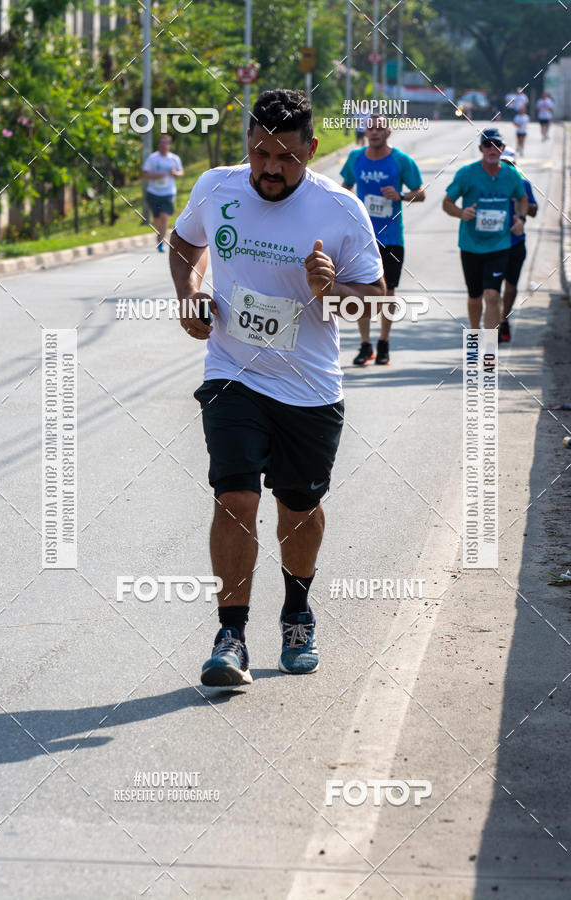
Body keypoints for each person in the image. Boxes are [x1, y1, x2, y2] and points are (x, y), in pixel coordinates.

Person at [169, 89, 385, 686]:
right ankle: (230, 635)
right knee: (235, 499)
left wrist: (333, 288)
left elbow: (378, 298)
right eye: (260, 152)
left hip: (309, 389)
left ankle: (296, 611)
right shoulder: (217, 186)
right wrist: (190, 289)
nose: (270, 167)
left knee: (299, 509)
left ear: (311, 150)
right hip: (232, 373)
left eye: (286, 157)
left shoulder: (339, 210)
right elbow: (186, 242)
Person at [340, 115, 425, 366]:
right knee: (359, 290)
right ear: (365, 131)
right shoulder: (355, 158)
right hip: (361, 237)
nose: (374, 132)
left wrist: (399, 195)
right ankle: (365, 344)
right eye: (370, 128)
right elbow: (345, 187)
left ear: (388, 132)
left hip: (391, 237)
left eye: (379, 128)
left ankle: (384, 342)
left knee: (388, 292)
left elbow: (420, 193)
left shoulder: (401, 160)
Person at [442, 127, 528, 330]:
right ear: (481, 148)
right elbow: (447, 203)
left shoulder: (511, 174)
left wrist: (521, 219)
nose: (492, 148)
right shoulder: (467, 174)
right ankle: (474, 333)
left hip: (499, 245)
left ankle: (490, 348)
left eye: (497, 144)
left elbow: (522, 198)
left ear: (503, 148)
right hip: (471, 245)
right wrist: (461, 213)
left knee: (492, 295)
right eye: (487, 144)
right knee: (475, 296)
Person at [499, 147, 538, 343]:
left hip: (516, 242)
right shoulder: (492, 183)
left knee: (511, 286)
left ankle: (503, 319)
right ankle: (494, 320)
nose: (506, 167)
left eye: (510, 164)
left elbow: (534, 210)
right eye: (503, 163)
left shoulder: (522, 183)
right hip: (494, 243)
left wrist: (521, 204)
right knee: (492, 288)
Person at [142, 135, 184, 252]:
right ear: (158, 145)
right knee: (157, 219)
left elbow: (181, 173)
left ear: (169, 145)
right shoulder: (153, 158)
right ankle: (160, 233)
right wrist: (156, 176)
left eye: (166, 143)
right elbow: (145, 174)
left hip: (168, 192)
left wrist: (175, 173)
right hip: (153, 192)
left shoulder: (174, 159)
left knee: (164, 217)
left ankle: (161, 242)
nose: (163, 145)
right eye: (161, 143)